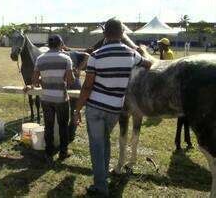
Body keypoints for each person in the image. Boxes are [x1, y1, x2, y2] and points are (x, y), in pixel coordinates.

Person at [73, 18, 152, 196]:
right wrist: (138, 52)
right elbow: (148, 64)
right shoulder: (131, 55)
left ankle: (100, 186)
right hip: (114, 109)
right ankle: (103, 178)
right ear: (122, 33)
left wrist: (77, 109)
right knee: (105, 141)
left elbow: (87, 87)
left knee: (96, 146)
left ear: (104, 33)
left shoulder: (96, 55)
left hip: (95, 108)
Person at [26, 34, 74, 163]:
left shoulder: (40, 59)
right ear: (60, 44)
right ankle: (63, 152)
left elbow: (35, 81)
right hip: (61, 99)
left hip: (46, 98)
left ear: (48, 44)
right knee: (63, 126)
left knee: (48, 126)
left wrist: (45, 79)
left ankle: (49, 153)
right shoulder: (66, 58)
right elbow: (70, 81)